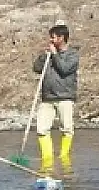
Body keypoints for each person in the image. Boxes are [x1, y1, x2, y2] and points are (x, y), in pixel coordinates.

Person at [32, 20, 80, 168]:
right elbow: (37, 68)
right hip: (47, 98)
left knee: (66, 128)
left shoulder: (72, 55)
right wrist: (44, 57)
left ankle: (64, 158)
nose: (51, 40)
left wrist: (55, 56)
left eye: (53, 37)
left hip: (65, 97)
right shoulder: (49, 56)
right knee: (41, 128)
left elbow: (65, 69)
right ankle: (47, 160)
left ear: (62, 38)